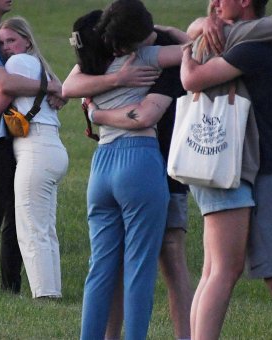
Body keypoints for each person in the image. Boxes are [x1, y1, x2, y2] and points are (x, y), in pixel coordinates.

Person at [180, 0, 272, 338]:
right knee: (218, 270)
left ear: (245, 2)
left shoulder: (254, 47)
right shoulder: (255, 39)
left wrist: (186, 51)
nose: (216, 2)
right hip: (251, 169)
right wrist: (202, 25)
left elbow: (192, 78)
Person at [63, 23, 193, 340]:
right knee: (140, 269)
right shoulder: (148, 56)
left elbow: (67, 87)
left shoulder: (97, 61)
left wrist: (95, 111)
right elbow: (197, 52)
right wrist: (174, 32)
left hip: (102, 165)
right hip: (141, 161)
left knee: (101, 269)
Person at [0, 0, 64, 302]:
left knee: (15, 215)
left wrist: (54, 88)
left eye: (10, 42)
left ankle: (12, 287)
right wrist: (51, 88)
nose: (5, 46)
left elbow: (25, 76)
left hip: (13, 134)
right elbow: (3, 84)